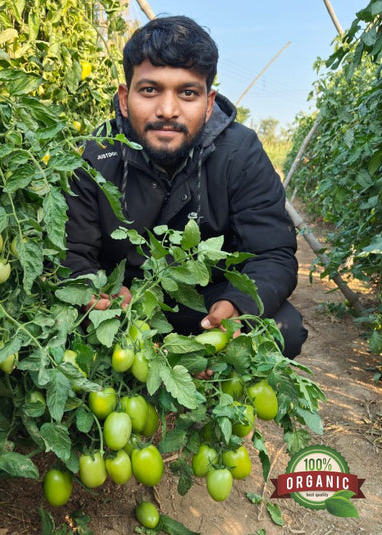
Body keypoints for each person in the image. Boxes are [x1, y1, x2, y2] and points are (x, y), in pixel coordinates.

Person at [64, 15, 308, 359]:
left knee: (285, 330)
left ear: (209, 104)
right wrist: (94, 287)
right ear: (124, 97)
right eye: (149, 90)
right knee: (64, 318)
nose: (167, 110)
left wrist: (236, 305)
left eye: (188, 93)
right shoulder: (97, 155)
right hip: (127, 307)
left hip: (206, 308)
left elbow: (273, 254)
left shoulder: (240, 154)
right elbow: (74, 253)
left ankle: (211, 373)